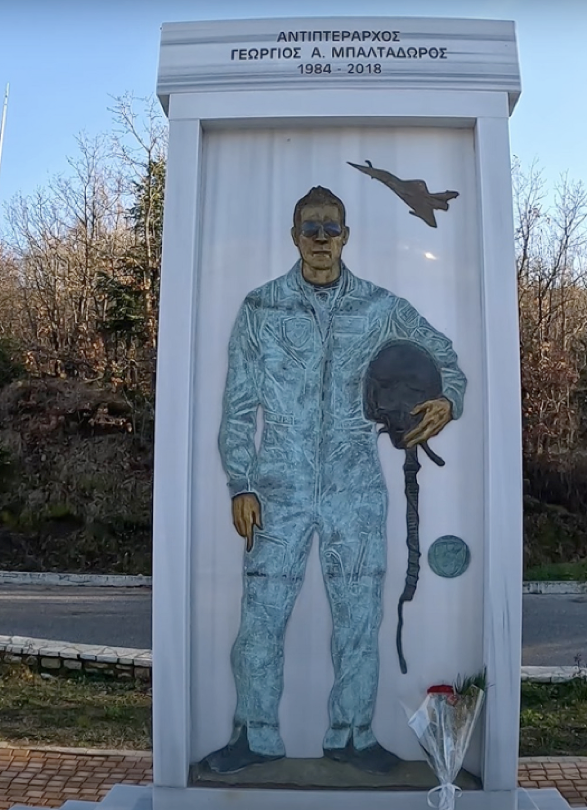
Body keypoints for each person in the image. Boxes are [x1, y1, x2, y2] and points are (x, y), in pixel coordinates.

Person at [204, 186, 466, 775]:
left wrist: (448, 399)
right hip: (279, 483)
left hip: (355, 483)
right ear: (294, 236)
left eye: (331, 228)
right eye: (311, 228)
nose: (321, 239)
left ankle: (351, 734)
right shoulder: (261, 308)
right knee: (261, 615)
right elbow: (238, 406)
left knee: (359, 617)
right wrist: (241, 482)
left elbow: (444, 357)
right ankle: (255, 735)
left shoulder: (380, 308)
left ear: (346, 236)